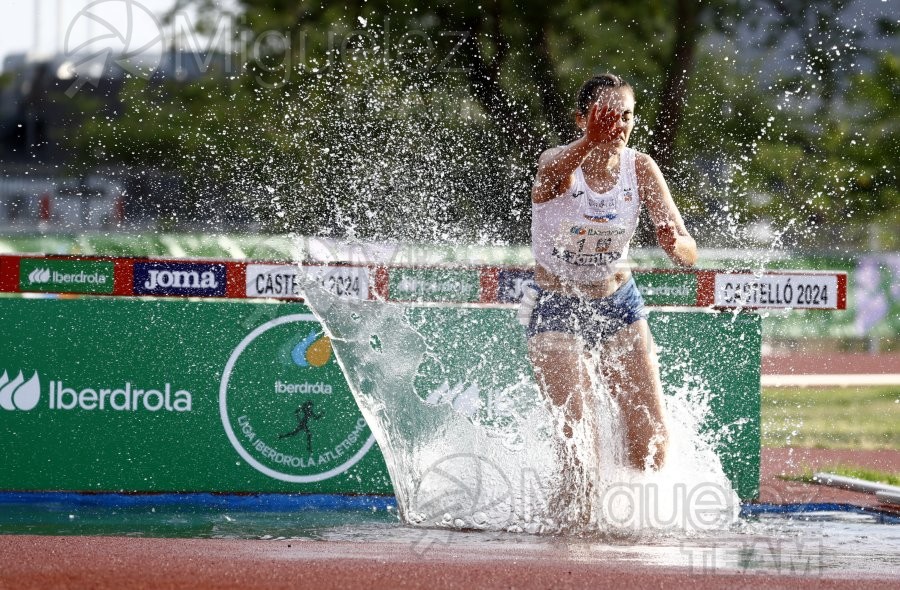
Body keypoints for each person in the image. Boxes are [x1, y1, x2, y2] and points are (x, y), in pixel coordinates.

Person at [524, 73, 697, 476]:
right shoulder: (557, 161)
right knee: (580, 448)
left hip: (618, 303)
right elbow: (550, 180)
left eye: (626, 117)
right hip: (555, 305)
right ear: (581, 119)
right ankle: (570, 531)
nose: (617, 126)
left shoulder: (641, 169)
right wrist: (590, 142)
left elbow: (690, 251)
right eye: (606, 116)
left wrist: (676, 246)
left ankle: (633, 525)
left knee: (653, 441)